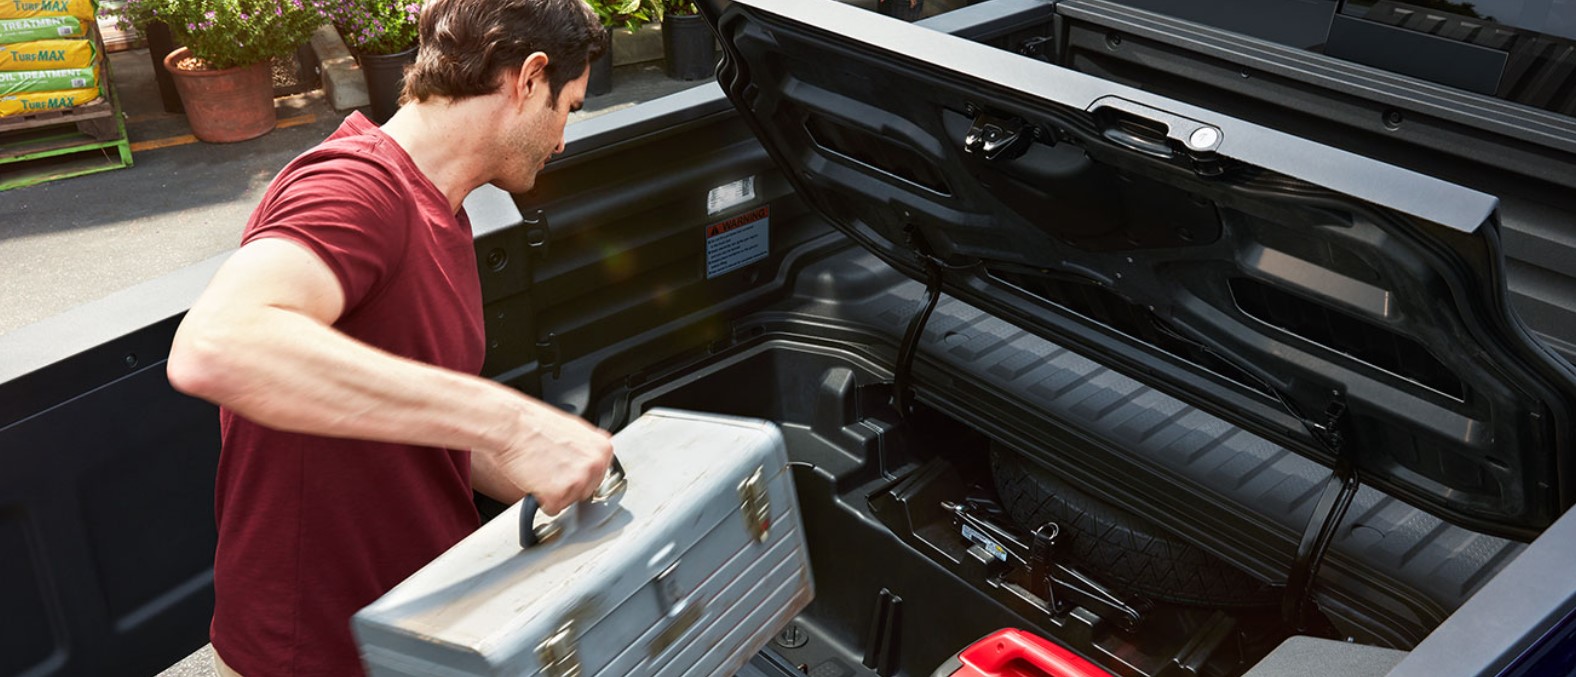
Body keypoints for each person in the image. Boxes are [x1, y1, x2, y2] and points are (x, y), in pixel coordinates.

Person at [164, 1, 613, 674]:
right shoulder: (356, 188)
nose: (563, 140)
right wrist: (511, 424)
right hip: (315, 651)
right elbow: (218, 344)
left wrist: (540, 462)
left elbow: (406, 421)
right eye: (569, 108)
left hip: (418, 624)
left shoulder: (446, 209)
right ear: (528, 79)